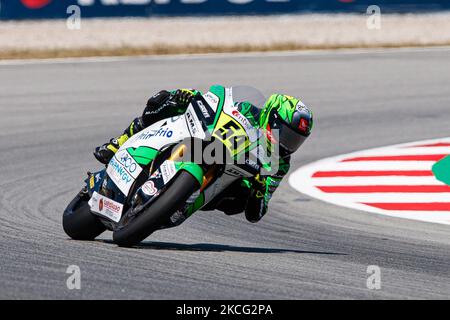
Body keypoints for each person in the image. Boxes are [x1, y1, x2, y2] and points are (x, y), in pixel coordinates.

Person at [94, 86, 313, 225]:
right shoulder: (248, 109)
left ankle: (181, 199)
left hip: (224, 180)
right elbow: (220, 100)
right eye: (286, 134)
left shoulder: (278, 162)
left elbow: (256, 214)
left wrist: (258, 190)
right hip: (210, 140)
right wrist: (193, 97)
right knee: (168, 100)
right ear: (271, 117)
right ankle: (119, 143)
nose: (288, 143)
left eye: (295, 140)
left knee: (239, 200)